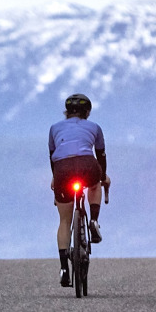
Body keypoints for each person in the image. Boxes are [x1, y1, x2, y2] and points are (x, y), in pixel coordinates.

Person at [48, 93, 109, 288]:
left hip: (62, 170)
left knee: (64, 221)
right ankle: (93, 220)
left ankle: (64, 268)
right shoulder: (94, 127)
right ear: (87, 112)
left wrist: (55, 178)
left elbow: (53, 157)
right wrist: (103, 176)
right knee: (94, 184)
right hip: (87, 164)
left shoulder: (55, 128)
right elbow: (101, 155)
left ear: (66, 112)